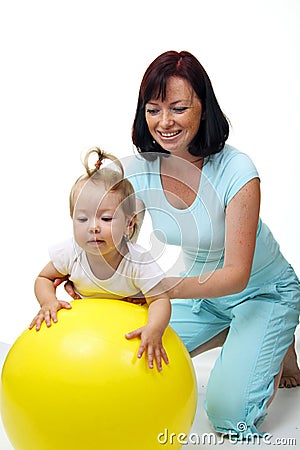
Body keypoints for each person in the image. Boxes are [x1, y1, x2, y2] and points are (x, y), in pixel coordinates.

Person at [123, 50, 300, 437]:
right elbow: (118, 247)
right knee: (128, 359)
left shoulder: (238, 171)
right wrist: (85, 275)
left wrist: (159, 288)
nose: (164, 122)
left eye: (179, 108)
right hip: (199, 295)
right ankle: (240, 336)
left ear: (204, 108)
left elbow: (236, 275)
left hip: (261, 292)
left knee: (227, 414)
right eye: (153, 110)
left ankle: (274, 331)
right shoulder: (138, 170)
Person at [29, 147, 171, 372]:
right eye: (82, 218)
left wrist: (154, 328)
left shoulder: (138, 261)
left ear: (129, 224)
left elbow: (160, 300)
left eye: (106, 218)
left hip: (125, 335)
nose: (93, 227)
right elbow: (44, 278)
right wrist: (48, 301)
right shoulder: (71, 252)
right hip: (87, 335)